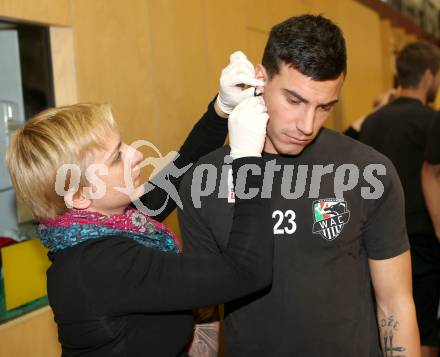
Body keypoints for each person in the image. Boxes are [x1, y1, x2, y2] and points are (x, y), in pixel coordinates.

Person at [178, 14, 420, 357]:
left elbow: (395, 304)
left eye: (325, 107)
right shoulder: (204, 180)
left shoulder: (369, 172)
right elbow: (204, 316)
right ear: (260, 80)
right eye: (294, 100)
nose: (307, 125)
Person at [5, 63, 274, 356]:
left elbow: (178, 169)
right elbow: (246, 271)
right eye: (116, 157)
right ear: (80, 195)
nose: (136, 154)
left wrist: (221, 108)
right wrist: (247, 160)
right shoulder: (99, 264)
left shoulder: (109, 226)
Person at [360, 41, 440, 357]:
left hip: (373, 241)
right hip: (422, 240)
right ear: (429, 76)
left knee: (385, 320)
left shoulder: (372, 122)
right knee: (424, 327)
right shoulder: (431, 121)